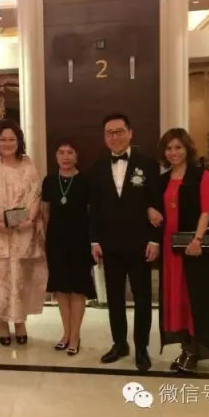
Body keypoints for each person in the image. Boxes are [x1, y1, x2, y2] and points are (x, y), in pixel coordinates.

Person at [89, 113, 161, 371]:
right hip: (110, 245)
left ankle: (141, 347)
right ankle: (119, 343)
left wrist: (154, 240)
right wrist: (94, 240)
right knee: (114, 298)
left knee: (142, 298)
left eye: (119, 131)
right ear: (104, 137)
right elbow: (94, 208)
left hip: (140, 244)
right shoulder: (98, 167)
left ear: (130, 133)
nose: (115, 137)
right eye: (109, 133)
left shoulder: (148, 164)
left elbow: (156, 203)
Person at [156, 128, 209, 373]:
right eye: (169, 148)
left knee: (194, 299)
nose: (173, 152)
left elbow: (206, 210)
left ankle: (195, 350)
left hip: (193, 249)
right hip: (170, 250)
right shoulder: (163, 179)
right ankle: (185, 348)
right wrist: (150, 211)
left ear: (187, 149)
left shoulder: (200, 175)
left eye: (178, 147)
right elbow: (156, 206)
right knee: (176, 299)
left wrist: (197, 239)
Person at [0, 119, 47, 346]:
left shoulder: (28, 164)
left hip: (24, 233)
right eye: (3, 139)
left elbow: (36, 195)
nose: (7, 143)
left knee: (22, 279)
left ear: (19, 141)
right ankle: (3, 323)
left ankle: (20, 322)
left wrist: (30, 219)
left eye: (12, 139)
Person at [41, 140, 95, 355]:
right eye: (61, 152)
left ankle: (75, 335)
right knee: (61, 288)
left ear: (76, 156)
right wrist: (46, 238)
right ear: (56, 156)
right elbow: (45, 212)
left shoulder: (85, 181)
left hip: (80, 241)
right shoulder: (49, 181)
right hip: (56, 240)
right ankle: (66, 332)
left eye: (70, 152)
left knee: (77, 289)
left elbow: (92, 213)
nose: (65, 156)